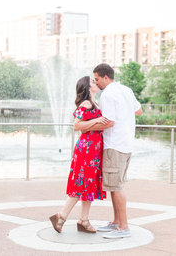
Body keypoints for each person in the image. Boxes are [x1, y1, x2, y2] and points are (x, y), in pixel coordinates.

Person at [79, 63, 142, 239]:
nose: (96, 83)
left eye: (97, 79)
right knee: (115, 186)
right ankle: (116, 222)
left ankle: (123, 227)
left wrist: (83, 125)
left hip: (114, 144)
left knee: (117, 187)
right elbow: (139, 111)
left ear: (106, 77)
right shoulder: (126, 90)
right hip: (126, 144)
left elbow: (109, 121)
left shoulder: (108, 94)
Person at [49, 76, 108, 234]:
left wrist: (95, 124)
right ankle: (60, 217)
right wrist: (96, 123)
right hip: (87, 148)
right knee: (82, 185)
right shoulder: (86, 103)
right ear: (88, 88)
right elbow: (77, 125)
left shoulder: (95, 103)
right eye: (92, 82)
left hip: (93, 149)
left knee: (88, 186)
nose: (96, 83)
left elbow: (87, 126)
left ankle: (84, 220)